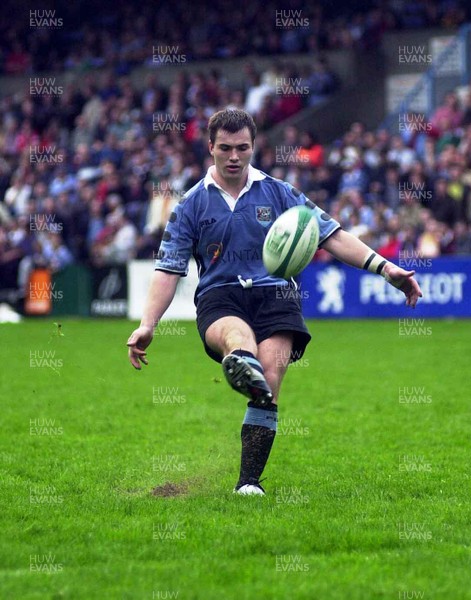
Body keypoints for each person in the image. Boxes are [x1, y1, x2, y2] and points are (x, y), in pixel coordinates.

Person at [127, 109, 422, 496]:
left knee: (270, 376)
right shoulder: (191, 205)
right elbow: (168, 269)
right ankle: (239, 360)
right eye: (226, 148)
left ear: (254, 146)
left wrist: (385, 269)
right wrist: (148, 323)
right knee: (239, 339)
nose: (235, 156)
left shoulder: (280, 192)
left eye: (243, 148)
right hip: (221, 295)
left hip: (276, 293)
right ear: (210, 147)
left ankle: (248, 483)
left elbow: (331, 235)